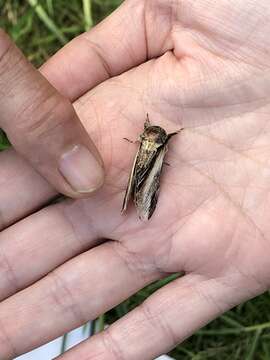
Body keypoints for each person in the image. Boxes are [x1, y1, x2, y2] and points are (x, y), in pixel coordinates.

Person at [0, 0, 269, 358]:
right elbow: (156, 143)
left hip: (149, 158)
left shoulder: (152, 141)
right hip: (147, 158)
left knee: (143, 181)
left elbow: (157, 145)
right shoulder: (152, 140)